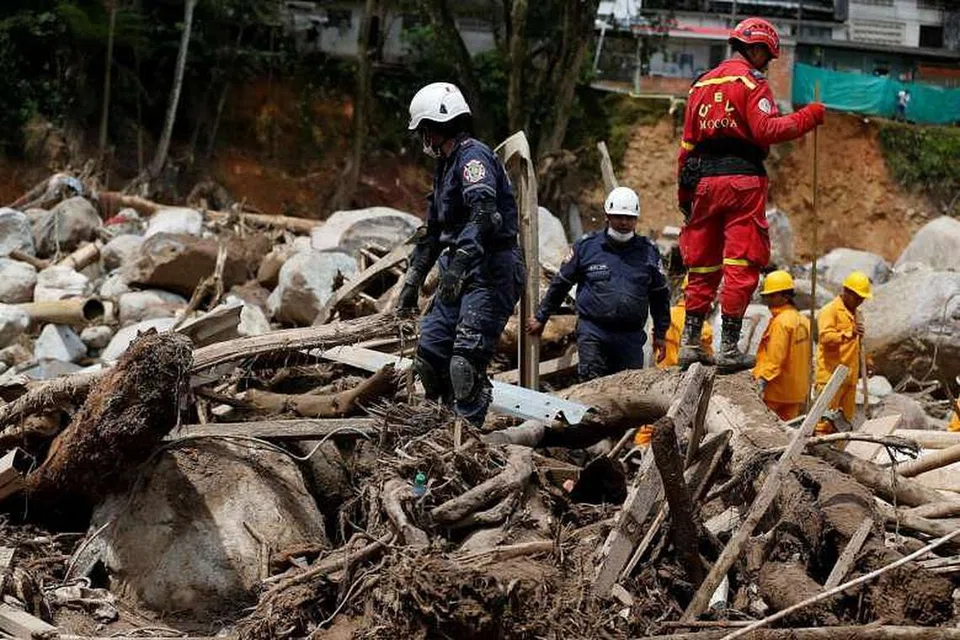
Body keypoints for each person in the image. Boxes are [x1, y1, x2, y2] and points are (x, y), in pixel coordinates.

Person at [676, 17, 826, 373]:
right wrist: (809, 116)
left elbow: (686, 146)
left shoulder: (700, 85)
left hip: (701, 184)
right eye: (768, 57)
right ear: (756, 49)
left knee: (701, 263)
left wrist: (685, 194)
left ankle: (690, 343)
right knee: (742, 261)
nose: (768, 64)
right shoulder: (751, 83)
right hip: (742, 182)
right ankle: (728, 347)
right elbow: (767, 129)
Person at [397, 82, 524, 427]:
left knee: (464, 363)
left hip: (491, 270)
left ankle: (463, 436)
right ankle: (438, 423)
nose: (422, 139)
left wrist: (460, 265)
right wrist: (412, 281)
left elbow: (484, 215)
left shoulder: (473, 158)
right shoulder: (446, 168)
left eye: (423, 131)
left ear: (437, 127)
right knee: (430, 356)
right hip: (461, 269)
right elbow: (433, 233)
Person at [526, 187, 670, 381]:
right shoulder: (586, 248)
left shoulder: (648, 252)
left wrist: (660, 334)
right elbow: (561, 284)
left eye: (630, 218)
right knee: (591, 387)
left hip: (631, 338)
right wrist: (541, 317)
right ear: (607, 217)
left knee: (626, 391)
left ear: (636, 219)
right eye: (619, 217)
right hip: (594, 333)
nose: (624, 223)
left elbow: (660, 296)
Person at [815, 271, 872, 434]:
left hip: (850, 378)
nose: (860, 302)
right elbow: (825, 337)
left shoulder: (856, 314)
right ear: (846, 292)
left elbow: (858, 341)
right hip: (830, 377)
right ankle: (819, 454)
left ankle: (839, 456)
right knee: (824, 422)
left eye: (862, 299)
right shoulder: (830, 311)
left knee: (843, 423)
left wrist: (866, 360)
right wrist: (849, 332)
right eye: (857, 297)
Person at [752, 270, 811, 421]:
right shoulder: (803, 320)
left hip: (776, 391)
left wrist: (762, 380)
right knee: (786, 433)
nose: (768, 300)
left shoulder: (781, 322)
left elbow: (775, 358)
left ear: (786, 296)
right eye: (767, 296)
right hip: (796, 392)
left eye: (772, 296)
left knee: (767, 432)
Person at [659, 274, 714, 369]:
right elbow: (705, 340)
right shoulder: (701, 326)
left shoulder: (667, 314)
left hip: (662, 368)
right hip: (683, 370)